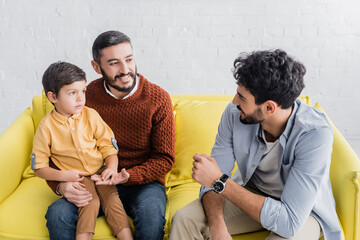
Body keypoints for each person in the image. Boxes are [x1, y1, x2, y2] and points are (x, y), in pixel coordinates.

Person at [169, 49, 342, 240]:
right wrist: (217, 225)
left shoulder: (314, 133)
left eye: (242, 98)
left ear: (269, 108)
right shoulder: (235, 113)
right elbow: (214, 177)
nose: (234, 101)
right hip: (253, 193)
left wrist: (220, 182)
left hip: (300, 212)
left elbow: (288, 223)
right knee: (184, 219)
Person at [44, 31, 175, 240]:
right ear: (97, 67)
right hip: (92, 180)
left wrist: (128, 176)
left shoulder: (158, 99)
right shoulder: (82, 97)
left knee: (151, 216)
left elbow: (164, 158)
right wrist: (61, 186)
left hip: (141, 184)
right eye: (114, 63)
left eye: (129, 60)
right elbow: (54, 151)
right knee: (57, 214)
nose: (125, 70)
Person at [31, 61, 133, 240]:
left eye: (83, 91)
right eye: (72, 93)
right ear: (53, 97)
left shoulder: (91, 115)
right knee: (89, 202)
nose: (80, 98)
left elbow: (108, 148)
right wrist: (65, 176)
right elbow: (39, 167)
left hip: (100, 172)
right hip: (77, 177)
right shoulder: (46, 127)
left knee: (113, 202)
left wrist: (111, 168)